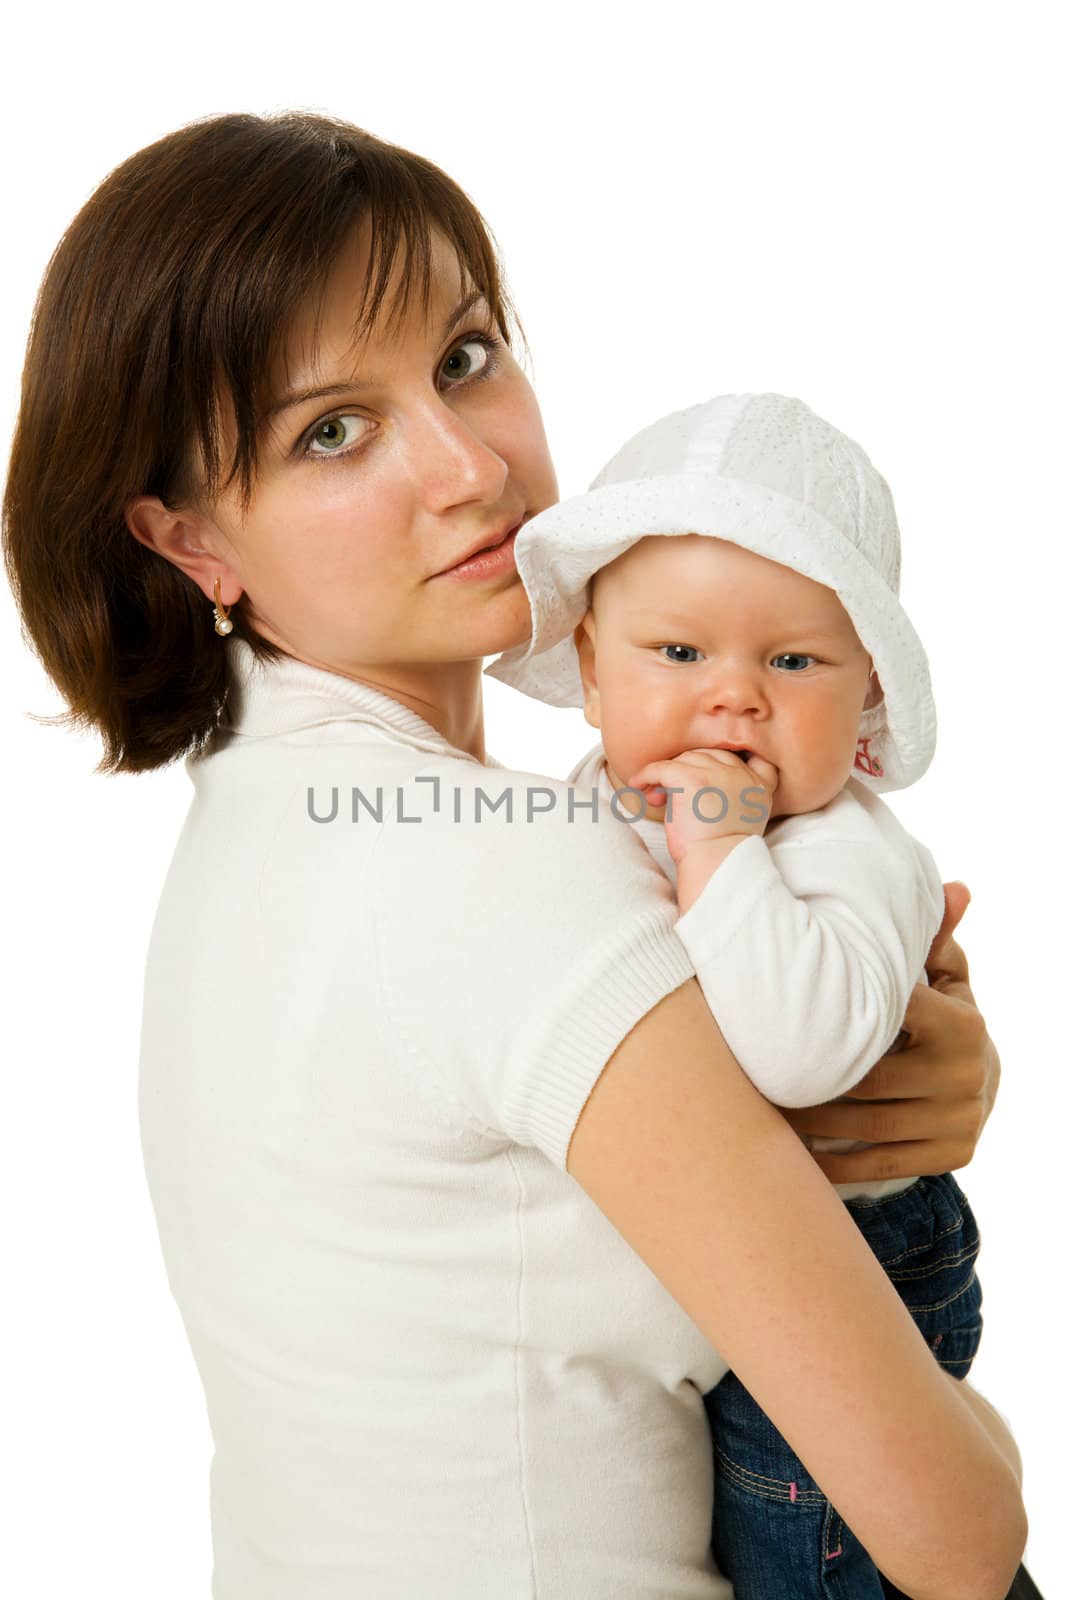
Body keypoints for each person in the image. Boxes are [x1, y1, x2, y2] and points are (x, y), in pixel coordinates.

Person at [1, 111, 1025, 1599]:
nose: (469, 466)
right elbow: (948, 1537)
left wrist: (895, 1066)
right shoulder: (506, 872)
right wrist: (973, 1417)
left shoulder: (263, 816)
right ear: (185, 542)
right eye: (330, 430)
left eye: (465, 354)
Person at [485, 391, 984, 1597]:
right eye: (677, 652)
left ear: (863, 696)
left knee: (798, 1555)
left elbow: (800, 1055)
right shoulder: (588, 813)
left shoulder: (840, 851)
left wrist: (723, 851)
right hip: (711, 1257)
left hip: (853, 1263)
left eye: (793, 661)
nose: (734, 696)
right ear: (590, 675)